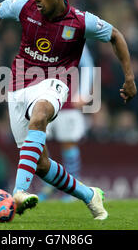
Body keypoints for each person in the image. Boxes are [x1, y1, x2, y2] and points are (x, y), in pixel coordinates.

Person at [0, 0, 137, 220]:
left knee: (40, 114)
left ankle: (19, 192)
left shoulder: (80, 21)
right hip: (18, 85)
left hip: (55, 81)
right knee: (41, 164)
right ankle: (89, 195)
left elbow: (116, 36)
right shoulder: (25, 7)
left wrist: (129, 78)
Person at [40, 44, 94, 202]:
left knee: (68, 143)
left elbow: (87, 65)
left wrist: (83, 93)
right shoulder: (41, 34)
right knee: (38, 141)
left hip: (68, 101)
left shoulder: (75, 34)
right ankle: (50, 183)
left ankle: (72, 188)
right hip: (44, 98)